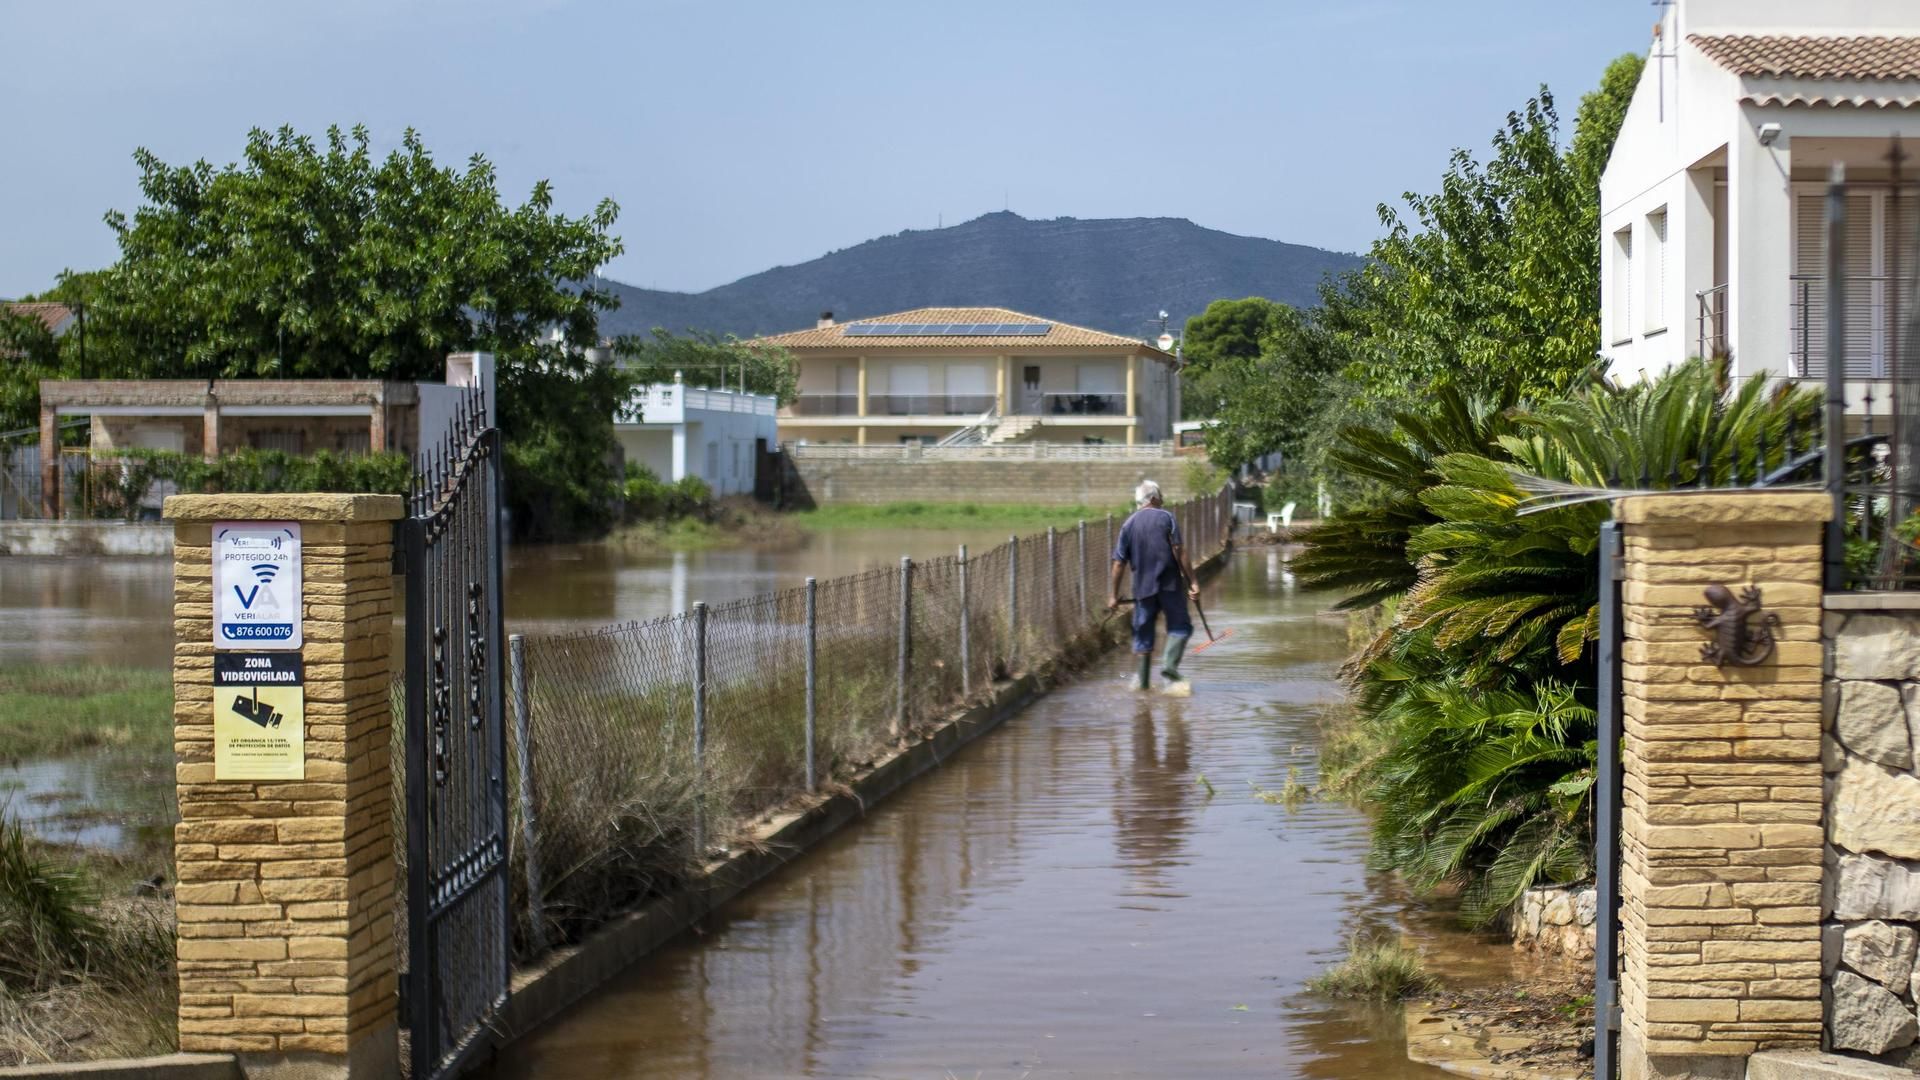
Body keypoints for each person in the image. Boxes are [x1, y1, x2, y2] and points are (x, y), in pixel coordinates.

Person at [1107, 480, 1200, 690]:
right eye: (1161, 497)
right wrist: (1193, 581)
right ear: (1154, 499)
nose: (1163, 501)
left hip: (1142, 590)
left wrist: (1113, 595)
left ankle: (1143, 685)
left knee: (1143, 633)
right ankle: (1169, 667)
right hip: (1170, 587)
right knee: (1180, 627)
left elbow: (1119, 563)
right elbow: (1179, 551)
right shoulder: (1167, 517)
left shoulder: (1128, 525)